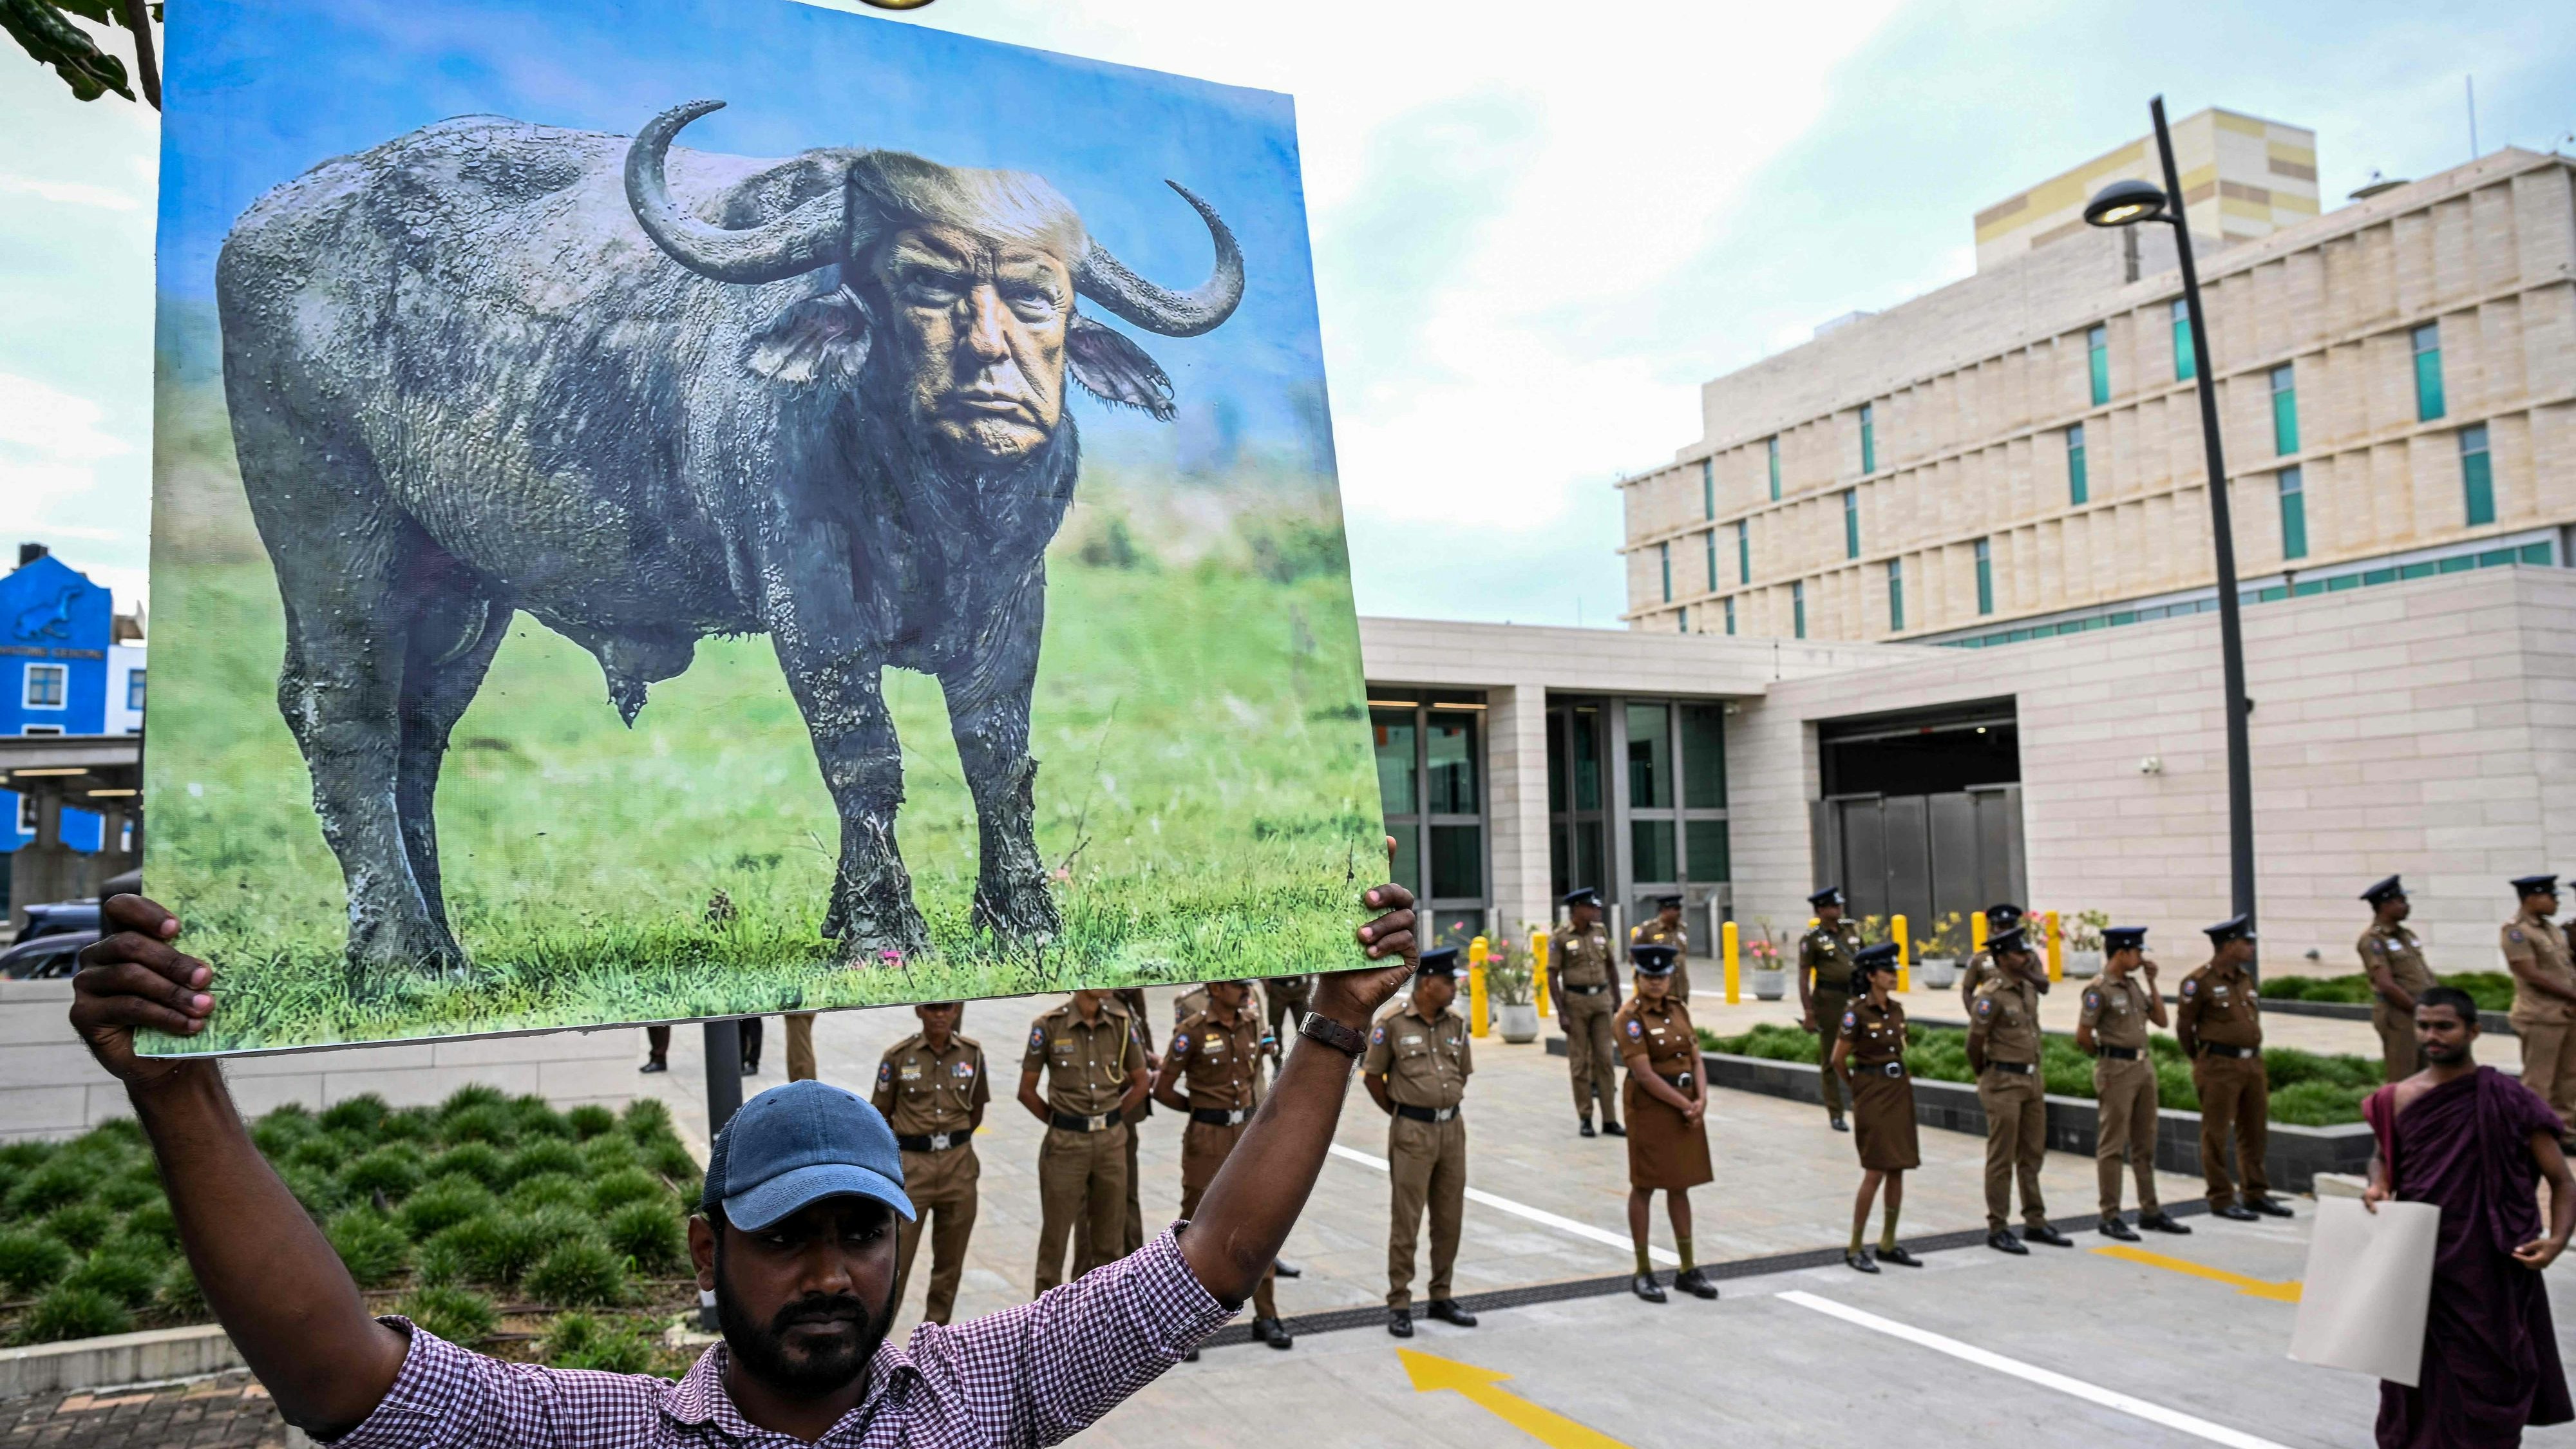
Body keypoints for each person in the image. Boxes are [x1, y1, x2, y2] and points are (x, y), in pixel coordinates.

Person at [63, 880, 1421, 1445]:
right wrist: (180, 1098)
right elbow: (333, 1372)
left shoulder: (978, 1396)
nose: (831, 1273)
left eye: (860, 1235)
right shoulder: (600, 1432)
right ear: (708, 1253)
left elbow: (1214, 1260)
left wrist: (1335, 1029)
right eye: (787, 1238)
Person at [2363, 985, 2576, 1448]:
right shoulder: (2397, 1098)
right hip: (2419, 1264)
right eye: (2424, 1026)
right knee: (2413, 1384)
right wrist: (2379, 1184)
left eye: (2445, 1026)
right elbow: (2381, 1156)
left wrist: (2557, 1240)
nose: (2433, 1036)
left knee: (2490, 1382)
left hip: (2490, 1269)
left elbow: (2562, 1180)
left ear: (2473, 1031)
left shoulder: (2508, 1098)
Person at [1151, 980, 1291, 1349]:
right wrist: (1200, 1111)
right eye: (1235, 986)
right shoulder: (1192, 1031)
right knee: (1194, 1228)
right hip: (1207, 1137)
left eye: (1245, 986)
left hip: (1244, 1134)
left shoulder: (1250, 1023)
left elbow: (1252, 1076)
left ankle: (1267, 1315)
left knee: (1259, 1221)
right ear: (1215, 989)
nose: (1244, 991)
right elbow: (1163, 1088)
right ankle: (1182, 1325)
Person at [1364, 947, 1478, 1338]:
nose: (1454, 988)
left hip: (1452, 1130)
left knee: (1449, 1219)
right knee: (1407, 1221)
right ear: (1429, 983)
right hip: (1412, 1131)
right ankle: (1399, 1302)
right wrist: (1402, 1112)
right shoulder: (1392, 1023)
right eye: (1449, 982)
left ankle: (1441, 1295)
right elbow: (1372, 1077)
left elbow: (1464, 1071)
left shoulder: (1457, 1024)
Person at [1017, 989, 1148, 1293]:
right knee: (1055, 1243)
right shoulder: (1049, 1025)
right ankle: (1044, 1331)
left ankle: (1103, 1326)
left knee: (1110, 1246)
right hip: (1066, 1146)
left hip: (1110, 1144)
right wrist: (1062, 1122)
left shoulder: (1121, 1023)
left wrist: (1112, 1118)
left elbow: (1141, 1082)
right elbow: (1026, 1091)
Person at [1612, 943, 1719, 1303]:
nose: (1656, 983)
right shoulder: (1630, 1017)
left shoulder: (1678, 1010)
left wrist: (1701, 1099)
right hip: (1651, 1109)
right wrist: (1685, 1105)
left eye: (1662, 976)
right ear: (1637, 977)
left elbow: (1696, 1058)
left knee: (1681, 1184)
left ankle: (1687, 1269)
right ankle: (1643, 1271)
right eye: (1649, 977)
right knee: (1645, 1185)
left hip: (1685, 1105)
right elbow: (1643, 1074)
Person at [869, 1001, 985, 1325]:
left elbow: (976, 1111)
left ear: (956, 1010)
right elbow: (880, 1116)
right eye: (932, 1008)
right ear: (919, 1011)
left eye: (946, 1008)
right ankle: (877, 1345)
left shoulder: (972, 1055)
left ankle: (935, 1340)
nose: (939, 1015)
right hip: (913, 1172)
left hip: (958, 1169)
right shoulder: (898, 1057)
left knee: (949, 1267)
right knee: (895, 1266)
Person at [2076, 927, 2190, 1240]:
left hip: (2143, 1067)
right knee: (2112, 1145)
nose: (2142, 958)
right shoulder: (2100, 989)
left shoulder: (2134, 986)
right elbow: (2083, 1036)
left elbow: (2162, 1021)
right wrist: (2108, 1060)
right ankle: (2109, 1215)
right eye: (2138, 953)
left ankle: (2150, 1210)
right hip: (2117, 1069)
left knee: (2145, 1142)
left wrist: (2153, 981)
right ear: (2121, 953)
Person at [2176, 915, 2291, 1221]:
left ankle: (2256, 1193)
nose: (2251, 947)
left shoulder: (2244, 979)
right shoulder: (2199, 982)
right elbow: (2185, 1028)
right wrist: (2201, 1060)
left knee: (2254, 1131)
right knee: (2215, 1134)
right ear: (2228, 946)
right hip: (2219, 1065)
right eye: (2246, 942)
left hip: (2252, 1063)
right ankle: (2221, 1198)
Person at [1967, 925, 2069, 1253]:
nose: (2026, 957)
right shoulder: (1991, 995)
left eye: (2026, 951)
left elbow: (2043, 989)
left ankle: (2035, 1222)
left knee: (2032, 1156)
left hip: (2031, 1081)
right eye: (2018, 953)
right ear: (2001, 958)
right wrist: (1987, 1077)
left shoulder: (2027, 988)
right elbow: (1974, 1044)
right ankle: (1998, 1227)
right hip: (2004, 1084)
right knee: (2002, 1158)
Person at [1830, 943, 1922, 1273]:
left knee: (1899, 1166)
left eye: (1895, 971)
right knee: (1875, 1170)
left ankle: (1888, 1242)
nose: (1894, 977)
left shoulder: (1896, 1010)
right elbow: (1838, 1060)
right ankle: (1855, 1246)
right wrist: (1859, 1089)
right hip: (1872, 1091)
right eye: (1888, 972)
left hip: (1898, 1091)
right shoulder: (1857, 1013)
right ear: (1871, 976)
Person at [2500, 874, 2576, 1134]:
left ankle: (2564, 1130)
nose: (2556, 902)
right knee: (2539, 1081)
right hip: (2540, 1016)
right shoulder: (2517, 931)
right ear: (2532, 898)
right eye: (2551, 896)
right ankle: (2535, 1136)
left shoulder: (2551, 929)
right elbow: (2530, 973)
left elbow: (2566, 966)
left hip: (2565, 1014)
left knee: (2568, 1078)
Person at [1551, 887, 1624, 1139]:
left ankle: (1610, 1119)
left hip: (1602, 1002)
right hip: (1576, 1004)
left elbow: (1612, 967)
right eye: (1592, 907)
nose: (1597, 911)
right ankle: (1585, 1117)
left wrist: (1617, 1000)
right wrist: (1561, 1012)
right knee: (1580, 1064)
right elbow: (1551, 975)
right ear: (1578, 909)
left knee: (1605, 1061)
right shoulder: (1561, 937)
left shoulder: (1600, 932)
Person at [2360, 875, 2438, 1084]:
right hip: (2399, 1015)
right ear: (2385, 905)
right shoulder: (2373, 941)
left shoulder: (2406, 935)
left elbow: (2422, 973)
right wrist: (2418, 1009)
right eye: (2401, 901)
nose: (2407, 906)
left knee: (2427, 1072)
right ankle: (2400, 1117)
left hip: (2419, 1012)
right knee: (2404, 1074)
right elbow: (2386, 985)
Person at [1798, 887, 1862, 1133]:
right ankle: (1836, 1112)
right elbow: (1804, 978)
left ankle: (1861, 1102)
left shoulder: (1851, 929)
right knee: (1831, 1058)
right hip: (1829, 1001)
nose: (1838, 909)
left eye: (1839, 905)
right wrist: (1809, 1011)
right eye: (1833, 906)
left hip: (1856, 997)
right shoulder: (1812, 939)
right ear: (1821, 910)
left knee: (1861, 1050)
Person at [1113, 987, 1159, 1258]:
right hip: (1116, 1115)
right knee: (1110, 1202)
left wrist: (1147, 1062)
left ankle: (1132, 1261)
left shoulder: (1128, 1001)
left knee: (1128, 1196)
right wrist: (1141, 1077)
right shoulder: (1112, 1007)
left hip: (1125, 1116)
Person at [1959, 902, 2032, 1016]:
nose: (2006, 931)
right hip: (1993, 1017)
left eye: (2011, 926)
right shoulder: (1980, 959)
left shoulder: (2028, 956)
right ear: (1992, 929)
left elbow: (2043, 987)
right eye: (2001, 927)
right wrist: (1977, 1016)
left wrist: (2022, 970)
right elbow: (1967, 990)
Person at [1633, 895, 1692, 1002]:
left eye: (1679, 909)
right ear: (1664, 910)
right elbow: (1634, 957)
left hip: (1681, 988)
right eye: (1675, 909)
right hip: (1659, 990)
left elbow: (1683, 955)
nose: (1679, 913)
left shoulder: (1682, 928)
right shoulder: (1648, 929)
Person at [786, 1012, 819, 1083]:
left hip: (798, 1009)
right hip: (798, 1009)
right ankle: (803, 1085)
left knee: (800, 1053)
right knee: (796, 1051)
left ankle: (806, 1086)